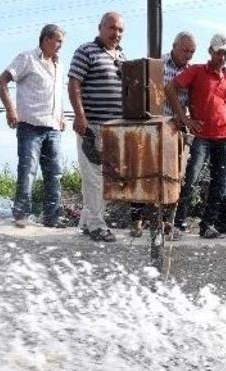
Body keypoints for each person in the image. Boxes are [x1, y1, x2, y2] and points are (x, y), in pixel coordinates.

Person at [168, 33, 226, 239]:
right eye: (219, 52)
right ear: (211, 51)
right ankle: (178, 224)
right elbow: (171, 88)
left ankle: (208, 225)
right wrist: (184, 118)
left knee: (219, 182)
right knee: (190, 177)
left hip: (225, 137)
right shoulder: (196, 71)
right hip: (201, 136)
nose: (223, 57)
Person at [0, 24, 67, 229]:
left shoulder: (59, 64)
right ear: (45, 40)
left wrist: (61, 115)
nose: (60, 46)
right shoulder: (27, 58)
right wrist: (11, 110)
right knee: (28, 171)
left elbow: (56, 95)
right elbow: (1, 81)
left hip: (53, 128)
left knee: (55, 173)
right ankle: (21, 215)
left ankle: (52, 217)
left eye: (62, 41)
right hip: (30, 126)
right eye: (58, 40)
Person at [130, 31, 197, 238]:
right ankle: (137, 221)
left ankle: (168, 222)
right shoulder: (157, 65)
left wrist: (185, 119)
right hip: (151, 127)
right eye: (185, 50)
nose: (188, 55)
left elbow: (190, 102)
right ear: (174, 46)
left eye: (192, 52)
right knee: (143, 174)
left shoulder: (191, 71)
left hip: (174, 131)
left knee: (173, 177)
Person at [67, 11, 126, 242]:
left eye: (120, 30)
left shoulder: (121, 55)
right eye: (112, 28)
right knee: (94, 178)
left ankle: (86, 221)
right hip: (91, 126)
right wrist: (80, 116)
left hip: (114, 130)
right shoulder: (85, 51)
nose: (116, 33)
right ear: (100, 27)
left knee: (104, 178)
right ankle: (97, 226)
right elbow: (74, 84)